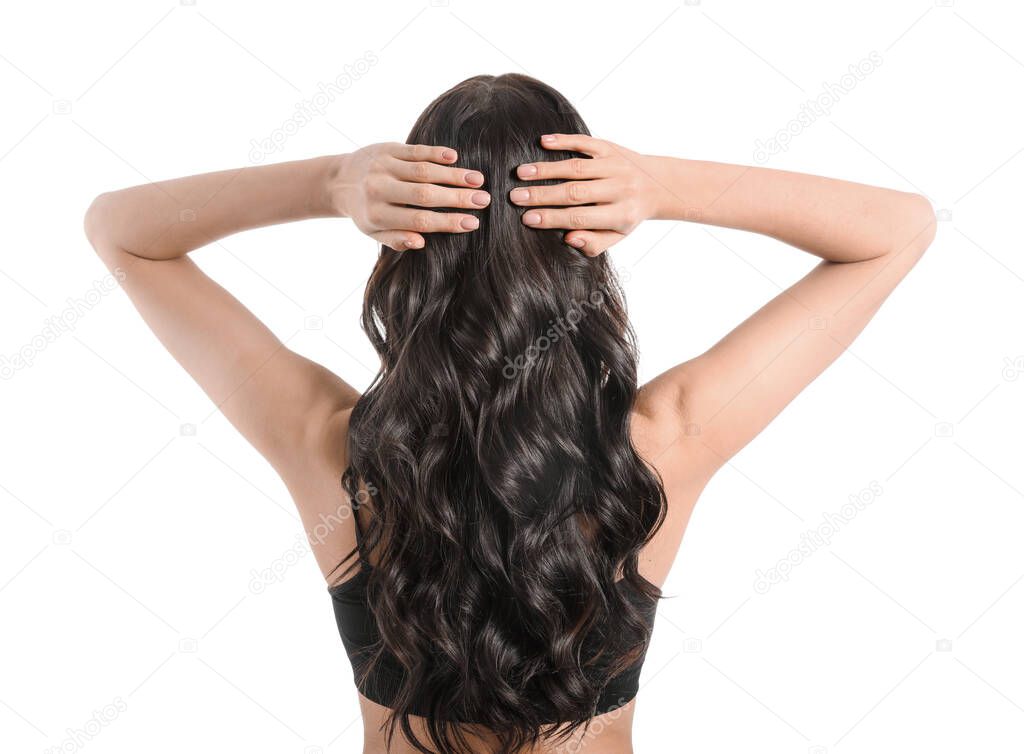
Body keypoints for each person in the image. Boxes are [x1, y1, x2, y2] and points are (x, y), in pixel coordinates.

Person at [83, 73, 936, 754]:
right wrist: (662, 186)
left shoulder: (331, 448)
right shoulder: (663, 442)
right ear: (581, 249)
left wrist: (331, 182)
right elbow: (898, 228)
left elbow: (120, 231)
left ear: (406, 256)